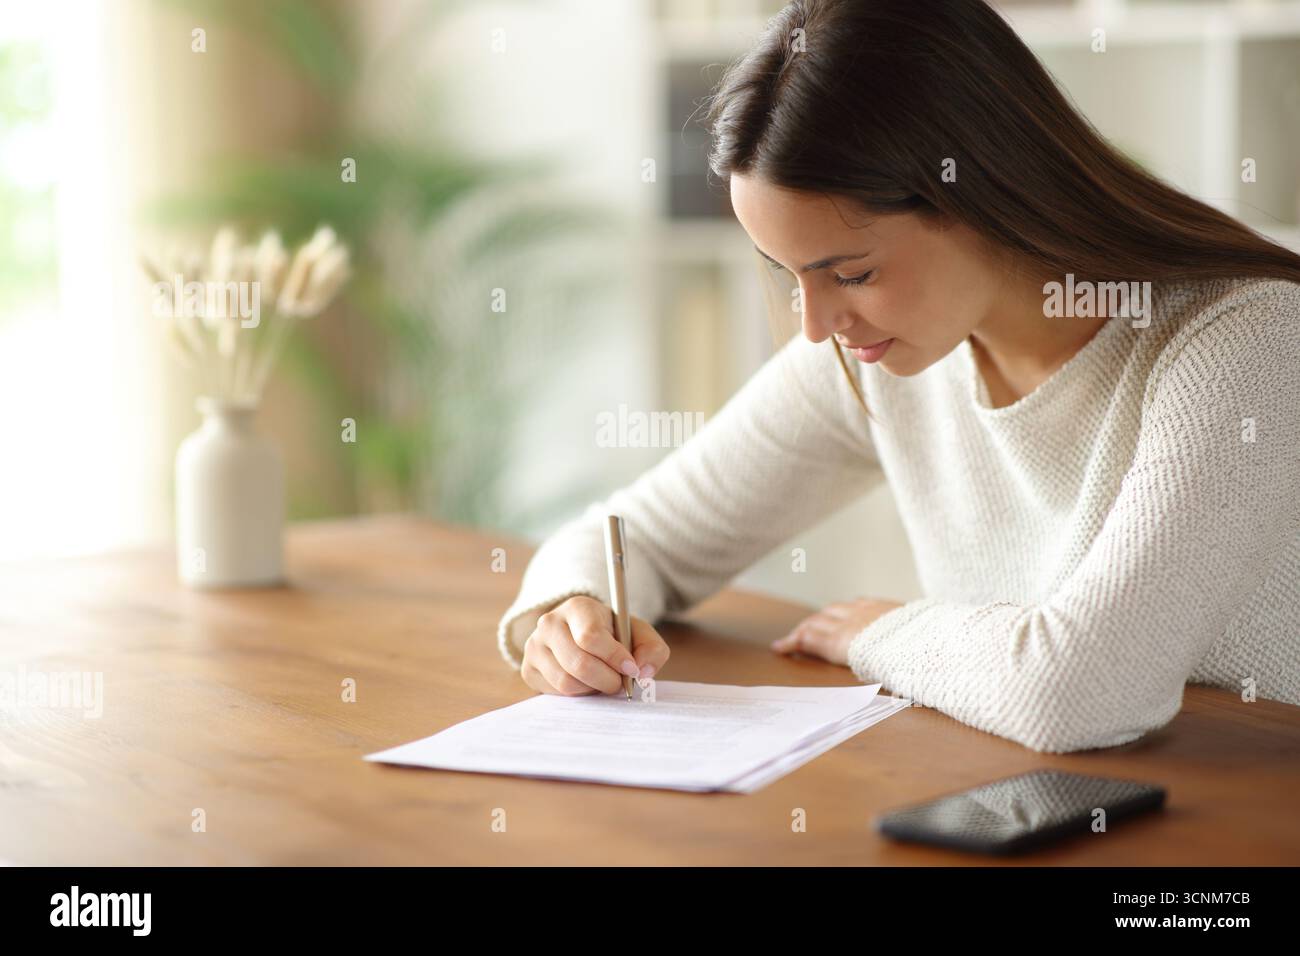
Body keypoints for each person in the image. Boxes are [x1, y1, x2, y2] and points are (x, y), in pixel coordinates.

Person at [495, 0, 1300, 753]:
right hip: (1039, 806)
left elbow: (1081, 691)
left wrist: (878, 635)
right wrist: (570, 613)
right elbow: (634, 535)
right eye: (786, 275)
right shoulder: (879, 356)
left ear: (981, 191)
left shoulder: (1245, 342)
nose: (816, 327)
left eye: (849, 272)